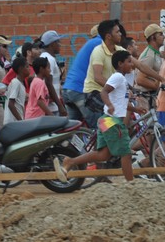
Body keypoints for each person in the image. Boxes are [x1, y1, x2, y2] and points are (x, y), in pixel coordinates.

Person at [54, 50, 144, 182]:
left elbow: (121, 103)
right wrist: (110, 105)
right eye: (129, 61)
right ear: (120, 64)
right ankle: (131, 185)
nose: (132, 64)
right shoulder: (118, 77)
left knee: (103, 155)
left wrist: (136, 108)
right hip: (113, 122)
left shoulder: (122, 80)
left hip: (105, 121)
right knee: (126, 153)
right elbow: (104, 92)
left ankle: (70, 161)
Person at [83, 20, 165, 127]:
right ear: (109, 36)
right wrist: (121, 89)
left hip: (110, 92)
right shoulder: (98, 52)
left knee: (126, 124)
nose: (121, 34)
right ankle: (106, 137)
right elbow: (98, 78)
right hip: (95, 93)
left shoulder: (119, 50)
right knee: (112, 125)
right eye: (117, 32)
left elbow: (141, 66)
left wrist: (161, 79)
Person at [62, 25, 102, 123]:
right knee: (99, 124)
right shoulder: (100, 43)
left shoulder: (90, 43)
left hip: (69, 89)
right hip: (80, 90)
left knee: (74, 127)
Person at [134, 24, 165, 108]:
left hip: (151, 98)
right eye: (160, 34)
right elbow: (140, 79)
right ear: (152, 37)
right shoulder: (149, 56)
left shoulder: (155, 53)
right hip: (144, 99)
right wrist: (156, 86)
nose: (164, 37)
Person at [40, 30, 67, 117]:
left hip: (52, 104)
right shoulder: (49, 59)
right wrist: (60, 105)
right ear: (52, 44)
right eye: (58, 42)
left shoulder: (45, 57)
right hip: (51, 106)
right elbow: (48, 83)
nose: (60, 45)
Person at [4, 57, 31, 124]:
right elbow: (10, 104)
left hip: (16, 122)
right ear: (21, 69)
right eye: (27, 67)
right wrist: (21, 121)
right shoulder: (16, 83)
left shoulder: (20, 84)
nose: (29, 69)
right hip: (12, 122)